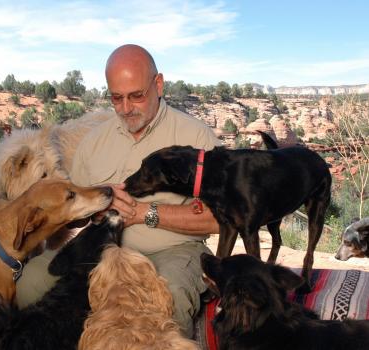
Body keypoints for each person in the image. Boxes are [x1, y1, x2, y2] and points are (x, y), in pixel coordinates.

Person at [16, 44, 221, 338]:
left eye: (137, 96)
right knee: (29, 284)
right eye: (116, 98)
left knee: (168, 301)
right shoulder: (93, 142)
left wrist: (144, 214)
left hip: (171, 251)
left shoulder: (196, 136)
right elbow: (71, 218)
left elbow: (218, 217)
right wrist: (95, 204)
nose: (125, 108)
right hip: (97, 245)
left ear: (158, 84)